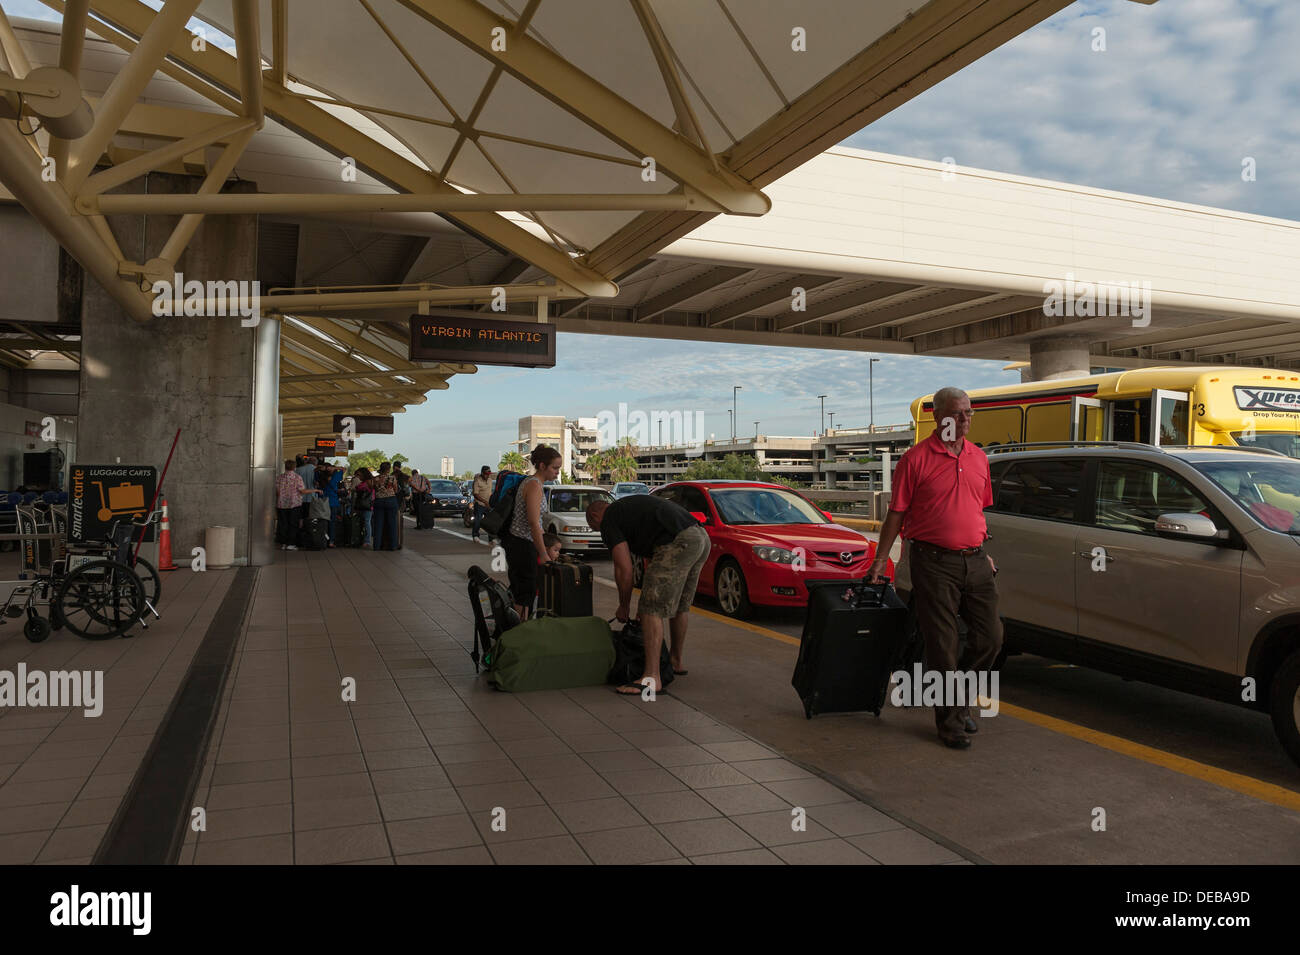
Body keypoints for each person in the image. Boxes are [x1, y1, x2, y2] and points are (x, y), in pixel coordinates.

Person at [867, 385, 1001, 751]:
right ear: (938, 416)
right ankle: (951, 724)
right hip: (933, 562)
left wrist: (982, 548)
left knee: (991, 637)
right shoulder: (915, 460)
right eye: (957, 413)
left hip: (975, 560)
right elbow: (896, 514)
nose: (965, 419)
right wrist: (880, 559)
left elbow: (975, 509)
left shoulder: (978, 457)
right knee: (943, 645)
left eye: (968, 412)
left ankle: (958, 703)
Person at [586, 494, 708, 695]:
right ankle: (676, 661)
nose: (599, 532)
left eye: (594, 528)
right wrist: (647, 596)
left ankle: (651, 678)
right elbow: (654, 562)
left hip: (679, 541)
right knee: (679, 605)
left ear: (594, 516)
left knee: (650, 610)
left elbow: (623, 569)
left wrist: (624, 605)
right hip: (700, 537)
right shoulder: (631, 511)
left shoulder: (609, 519)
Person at [502, 446, 562, 620]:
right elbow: (534, 523)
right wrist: (543, 553)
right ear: (542, 466)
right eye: (555, 468)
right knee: (524, 591)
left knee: (521, 589)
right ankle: (517, 629)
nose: (557, 472)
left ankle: (515, 626)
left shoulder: (532, 483)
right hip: (522, 545)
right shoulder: (534, 485)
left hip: (518, 543)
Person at [275, 459, 318, 551]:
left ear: (285, 467)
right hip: (294, 504)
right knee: (293, 524)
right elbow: (302, 491)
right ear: (294, 467)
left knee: (283, 524)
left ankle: (283, 543)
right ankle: (291, 544)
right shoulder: (297, 477)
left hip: (281, 504)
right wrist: (315, 490)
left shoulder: (279, 477)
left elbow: (277, 491)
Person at [371, 462, 400, 550]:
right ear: (388, 469)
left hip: (379, 501)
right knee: (392, 524)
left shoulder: (376, 478)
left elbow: (373, 488)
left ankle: (376, 546)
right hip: (391, 501)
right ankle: (393, 546)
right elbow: (396, 490)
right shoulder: (392, 478)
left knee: (378, 524)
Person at [353, 468, 375, 549]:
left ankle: (367, 541)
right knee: (365, 522)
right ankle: (365, 540)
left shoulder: (367, 482)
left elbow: (358, 488)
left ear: (363, 474)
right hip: (367, 505)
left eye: (359, 475)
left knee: (366, 522)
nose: (358, 477)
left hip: (366, 505)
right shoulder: (369, 481)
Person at [471, 465, 494, 543]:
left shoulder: (490, 480)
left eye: (489, 474)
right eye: (486, 474)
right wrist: (484, 502)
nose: (487, 475)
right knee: (478, 520)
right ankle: (475, 535)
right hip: (480, 504)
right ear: (482, 473)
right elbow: (475, 494)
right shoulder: (477, 481)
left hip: (488, 504)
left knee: (490, 521)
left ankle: (491, 538)